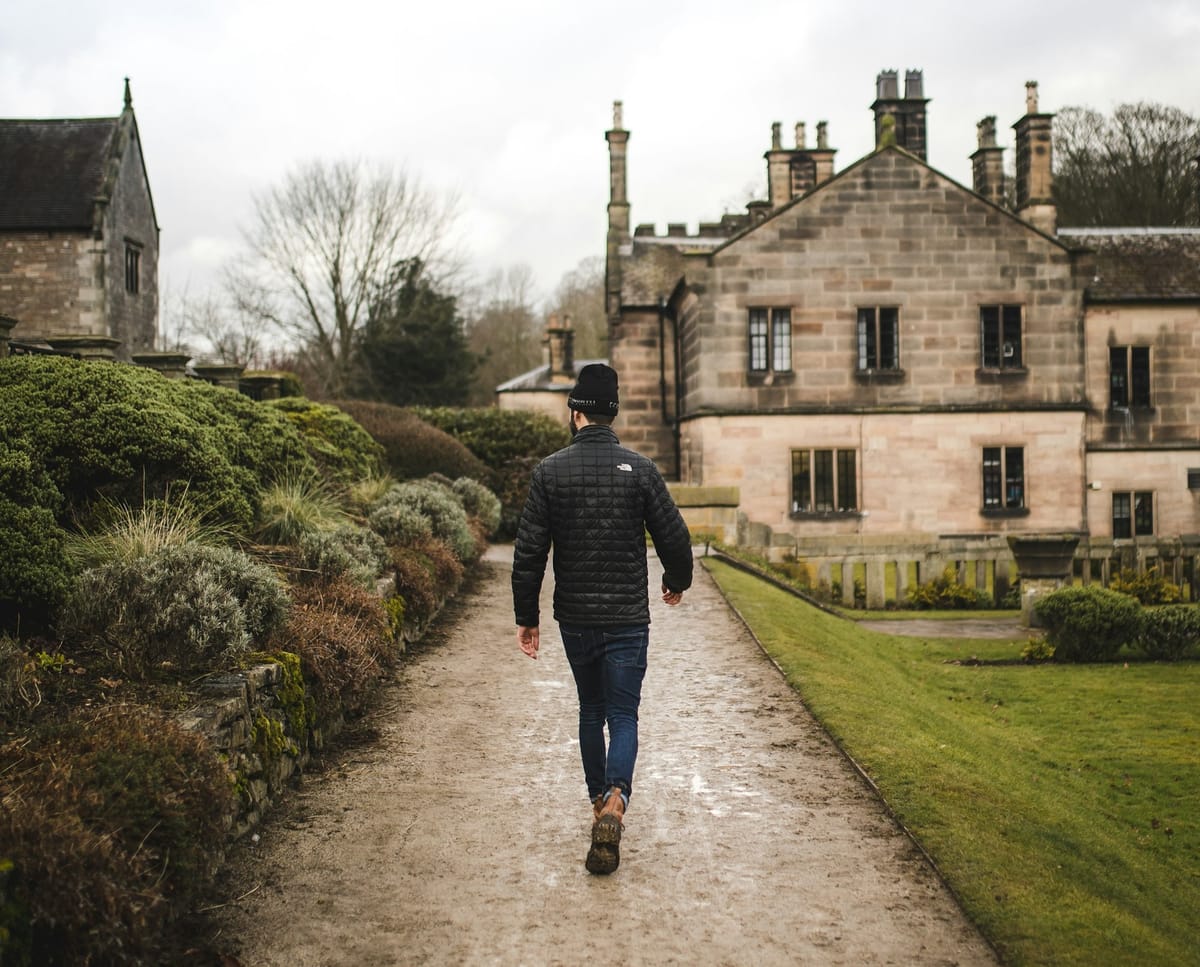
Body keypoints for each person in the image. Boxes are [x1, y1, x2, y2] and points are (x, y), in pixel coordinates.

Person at [512, 363, 693, 875]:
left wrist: (528, 616)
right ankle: (616, 799)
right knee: (625, 714)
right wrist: (676, 581)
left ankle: (598, 804)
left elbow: (529, 553)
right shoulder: (640, 469)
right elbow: (675, 539)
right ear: (612, 413)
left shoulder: (549, 472)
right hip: (628, 619)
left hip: (576, 617)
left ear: (575, 414)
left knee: (591, 709)